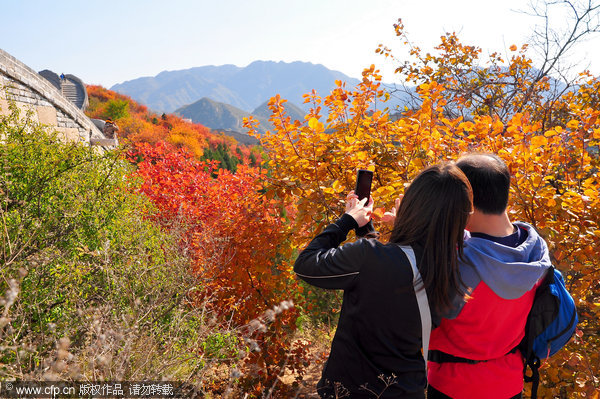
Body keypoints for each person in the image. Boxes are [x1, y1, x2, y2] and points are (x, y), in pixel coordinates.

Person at [294, 163, 473, 398]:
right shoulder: (454, 268)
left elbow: (305, 265)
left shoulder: (369, 258)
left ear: (413, 207)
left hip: (353, 389)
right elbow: (401, 269)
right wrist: (387, 229)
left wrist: (347, 221)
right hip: (407, 390)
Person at [426, 153, 552, 399]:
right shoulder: (535, 252)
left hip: (453, 385)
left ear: (464, 199)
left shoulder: (458, 262)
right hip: (508, 383)